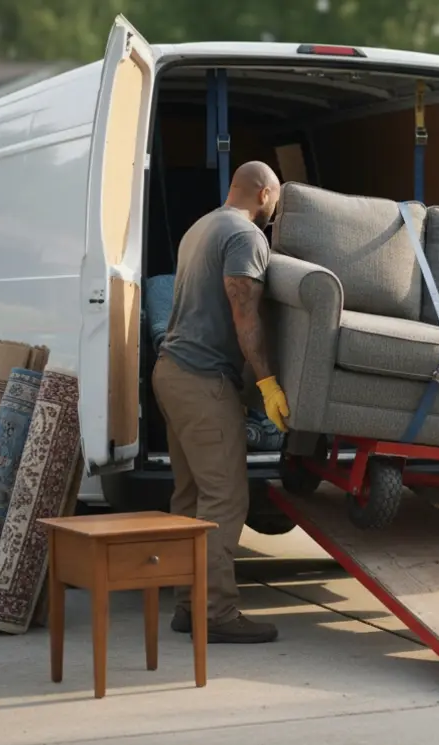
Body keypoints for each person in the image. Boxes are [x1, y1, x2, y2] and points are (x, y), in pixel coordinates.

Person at [152, 160, 291, 644]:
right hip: (202, 380)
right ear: (265, 193)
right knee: (225, 499)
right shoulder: (247, 237)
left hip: (171, 373)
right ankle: (217, 613)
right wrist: (269, 384)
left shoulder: (201, 227)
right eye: (276, 200)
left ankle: (188, 606)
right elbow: (244, 314)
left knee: (189, 498)